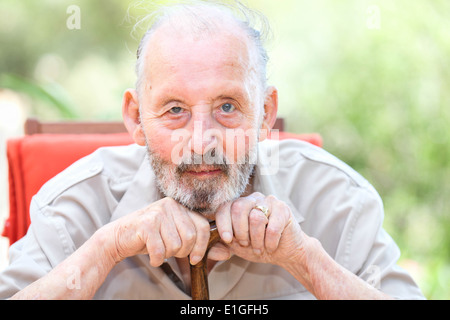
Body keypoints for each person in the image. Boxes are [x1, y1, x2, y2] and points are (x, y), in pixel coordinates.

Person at [0, 1, 424, 300]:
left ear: (265, 113)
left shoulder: (339, 200)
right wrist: (106, 249)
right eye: (174, 109)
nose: (201, 141)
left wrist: (305, 259)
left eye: (226, 107)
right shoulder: (76, 204)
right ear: (135, 118)